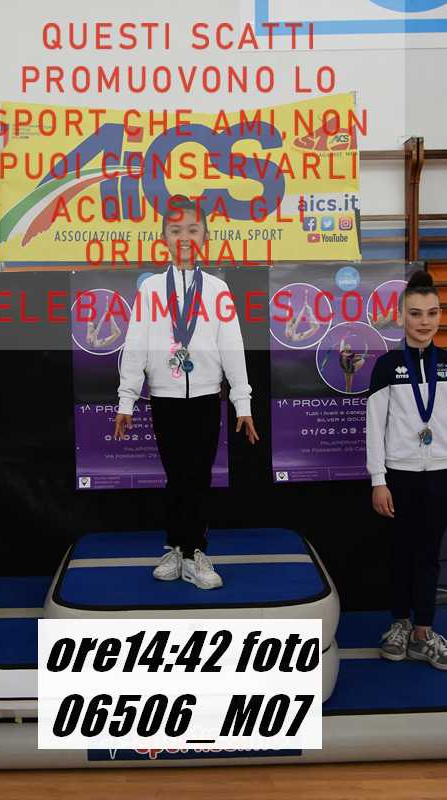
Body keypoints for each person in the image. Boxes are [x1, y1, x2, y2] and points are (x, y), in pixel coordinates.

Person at [114, 195, 258, 590]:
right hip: (164, 397)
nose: (184, 237)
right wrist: (127, 399)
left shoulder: (217, 290)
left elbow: (232, 346)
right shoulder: (150, 290)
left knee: (198, 476)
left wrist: (242, 401)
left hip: (207, 398)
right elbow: (135, 346)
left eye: (192, 230)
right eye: (175, 230)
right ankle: (176, 548)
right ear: (163, 237)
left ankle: (196, 552)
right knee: (175, 476)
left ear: (205, 237)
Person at [367, 269, 447, 669]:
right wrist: (378, 480)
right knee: (401, 553)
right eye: (415, 313)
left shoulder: (446, 363)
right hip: (398, 475)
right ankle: (399, 624)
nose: (424, 322)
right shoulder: (387, 365)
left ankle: (423, 632)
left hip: (440, 474)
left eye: (431, 313)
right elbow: (374, 427)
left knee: (430, 554)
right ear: (401, 316)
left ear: (439, 316)